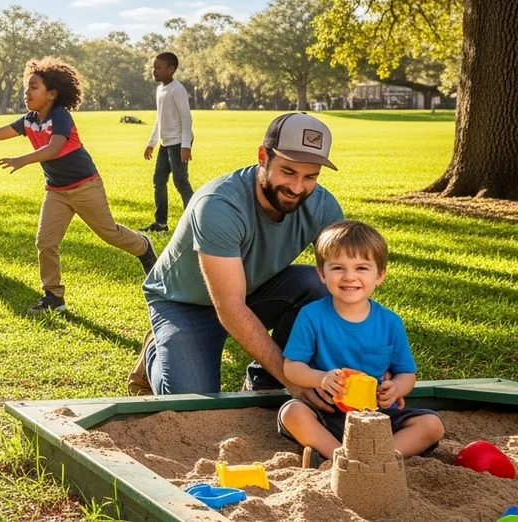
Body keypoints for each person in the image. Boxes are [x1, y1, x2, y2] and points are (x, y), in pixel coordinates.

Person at [130, 112, 345, 407]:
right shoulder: (219, 205)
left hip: (256, 291)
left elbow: (348, 284)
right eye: (288, 172)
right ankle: (155, 351)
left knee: (319, 287)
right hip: (187, 304)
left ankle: (264, 381)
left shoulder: (323, 206)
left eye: (310, 176)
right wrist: (292, 378)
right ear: (262, 157)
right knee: (194, 406)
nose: (298, 187)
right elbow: (230, 306)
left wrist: (369, 358)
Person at [0, 57, 155, 313]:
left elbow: (53, 149)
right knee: (45, 242)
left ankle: (143, 246)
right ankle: (54, 296)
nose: (27, 92)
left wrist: (22, 159)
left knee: (109, 233)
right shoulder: (29, 120)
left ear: (51, 93)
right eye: (26, 87)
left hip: (85, 186)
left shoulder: (60, 116)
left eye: (34, 87)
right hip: (56, 191)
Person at [279, 220, 444, 467]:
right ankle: (340, 457)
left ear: (380, 275)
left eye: (361, 268)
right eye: (337, 268)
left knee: (432, 424)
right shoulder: (311, 316)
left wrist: (396, 389)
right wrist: (321, 378)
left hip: (376, 417)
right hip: (328, 413)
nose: (349, 277)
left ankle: (379, 459)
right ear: (322, 274)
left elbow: (407, 374)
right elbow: (291, 368)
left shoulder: (390, 322)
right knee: (292, 412)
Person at [141, 51, 194, 233]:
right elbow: (159, 119)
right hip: (166, 142)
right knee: (159, 180)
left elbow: (186, 118)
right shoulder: (160, 89)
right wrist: (152, 143)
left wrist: (186, 146)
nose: (154, 71)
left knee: (180, 182)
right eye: (153, 67)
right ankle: (161, 224)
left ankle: (194, 222)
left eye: (158, 68)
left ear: (171, 69)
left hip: (179, 142)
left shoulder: (177, 90)